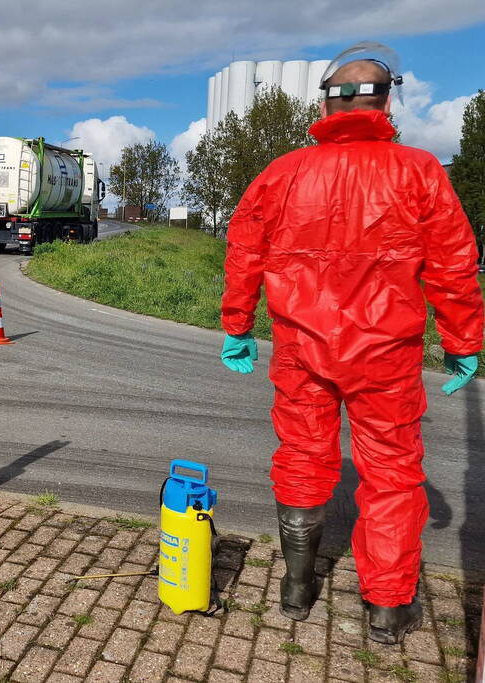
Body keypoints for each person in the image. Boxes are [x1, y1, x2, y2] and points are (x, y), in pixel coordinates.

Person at [219, 46, 484, 644]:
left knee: (303, 457)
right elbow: (454, 264)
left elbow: (244, 253)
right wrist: (464, 341)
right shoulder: (419, 171)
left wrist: (238, 325)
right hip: (387, 355)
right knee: (391, 474)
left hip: (301, 350)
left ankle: (296, 587)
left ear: (325, 103)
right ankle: (387, 609)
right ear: (387, 101)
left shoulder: (284, 173)